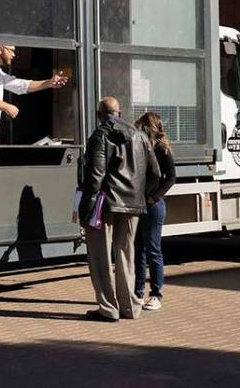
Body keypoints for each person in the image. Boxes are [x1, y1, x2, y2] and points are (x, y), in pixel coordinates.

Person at [80, 97, 161, 322]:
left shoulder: (100, 135)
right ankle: (130, 307)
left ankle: (108, 308)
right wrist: (142, 196)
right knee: (126, 254)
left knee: (100, 256)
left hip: (105, 204)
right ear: (120, 112)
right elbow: (155, 173)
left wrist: (86, 208)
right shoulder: (139, 135)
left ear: (99, 114)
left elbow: (95, 175)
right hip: (133, 205)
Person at [134, 111, 177, 311]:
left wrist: (154, 198)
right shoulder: (141, 148)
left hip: (153, 205)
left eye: (142, 126)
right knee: (138, 250)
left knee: (153, 249)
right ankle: (137, 292)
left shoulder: (162, 150)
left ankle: (156, 294)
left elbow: (170, 178)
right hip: (140, 204)